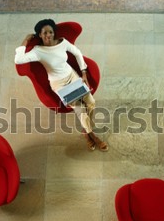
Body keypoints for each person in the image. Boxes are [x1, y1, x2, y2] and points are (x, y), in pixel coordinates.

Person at [14, 19, 108, 152]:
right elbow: (18, 59)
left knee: (91, 102)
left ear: (54, 33)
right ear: (40, 35)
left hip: (73, 76)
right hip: (59, 84)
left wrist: (84, 72)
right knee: (80, 109)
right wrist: (25, 40)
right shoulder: (38, 51)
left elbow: (77, 53)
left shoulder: (62, 42)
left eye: (51, 32)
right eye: (45, 33)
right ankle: (92, 135)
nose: (48, 35)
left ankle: (86, 131)